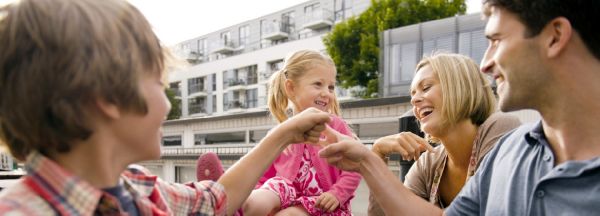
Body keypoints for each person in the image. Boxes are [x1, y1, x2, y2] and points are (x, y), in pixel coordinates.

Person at [0, 0, 333, 215]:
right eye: (160, 86)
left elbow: (218, 201)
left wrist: (284, 134)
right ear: (107, 99)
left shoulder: (140, 189)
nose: (166, 106)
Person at [318, 0, 600, 215]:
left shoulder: (501, 135)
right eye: (413, 93)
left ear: (554, 36)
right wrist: (370, 159)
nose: (485, 64)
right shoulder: (511, 149)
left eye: (496, 40)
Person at [367, 53, 520, 215]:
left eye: (426, 88)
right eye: (413, 94)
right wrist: (376, 157)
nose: (414, 100)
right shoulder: (427, 164)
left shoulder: (500, 128)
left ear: (460, 87)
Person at [241, 50, 361, 216]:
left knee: (289, 215)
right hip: (286, 195)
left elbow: (354, 168)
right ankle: (230, 202)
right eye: (318, 84)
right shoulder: (281, 134)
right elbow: (263, 176)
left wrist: (337, 193)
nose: (326, 92)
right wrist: (260, 199)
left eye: (331, 87)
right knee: (260, 197)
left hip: (324, 203)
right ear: (291, 88)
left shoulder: (336, 127)